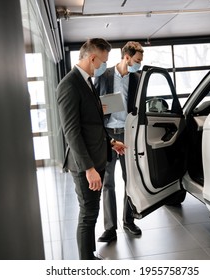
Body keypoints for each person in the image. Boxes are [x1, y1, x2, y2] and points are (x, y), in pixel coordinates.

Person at [56, 38, 126, 260]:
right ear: (92, 57)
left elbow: (93, 123)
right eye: (102, 61)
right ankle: (86, 262)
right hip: (85, 164)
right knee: (88, 215)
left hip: (97, 157)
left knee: (92, 212)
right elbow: (72, 132)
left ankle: (89, 257)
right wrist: (88, 168)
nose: (103, 66)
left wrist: (111, 143)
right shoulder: (69, 85)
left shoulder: (87, 81)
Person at [94, 41, 144, 243]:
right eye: (137, 60)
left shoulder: (136, 78)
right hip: (108, 134)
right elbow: (96, 104)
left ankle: (128, 221)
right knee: (108, 182)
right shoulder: (104, 75)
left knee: (129, 180)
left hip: (127, 135)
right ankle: (109, 228)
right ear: (126, 57)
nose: (139, 65)